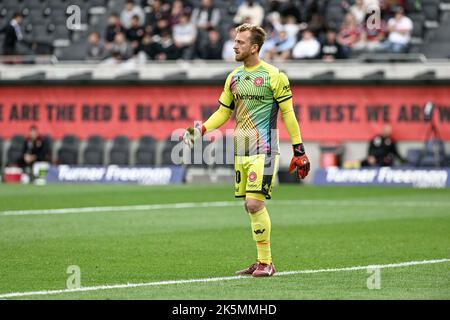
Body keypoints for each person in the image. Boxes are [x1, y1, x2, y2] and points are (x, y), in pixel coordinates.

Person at [182, 23, 310, 277]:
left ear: (254, 47)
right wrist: (202, 130)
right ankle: (262, 261)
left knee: (253, 204)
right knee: (249, 206)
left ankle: (267, 264)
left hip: (265, 149)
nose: (235, 45)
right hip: (241, 149)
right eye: (235, 41)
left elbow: (288, 113)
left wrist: (299, 149)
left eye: (240, 42)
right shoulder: (234, 78)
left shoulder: (274, 75)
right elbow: (223, 112)